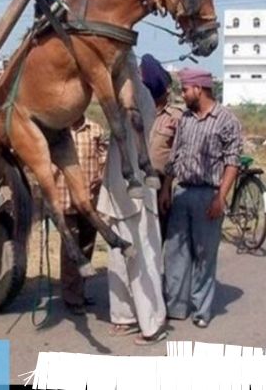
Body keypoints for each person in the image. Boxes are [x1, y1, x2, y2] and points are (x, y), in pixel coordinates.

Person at [160, 67, 243, 328]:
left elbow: (232, 163)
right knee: (175, 253)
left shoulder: (227, 120)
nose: (182, 94)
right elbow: (175, 155)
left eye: (185, 89)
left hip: (209, 195)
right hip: (182, 192)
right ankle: (175, 306)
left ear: (199, 89)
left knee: (204, 255)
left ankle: (201, 310)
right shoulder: (185, 119)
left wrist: (221, 197)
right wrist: (167, 188)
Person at [97, 51, 168, 345]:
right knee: (117, 260)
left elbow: (130, 71)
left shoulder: (140, 98)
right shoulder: (122, 101)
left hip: (137, 197)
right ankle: (124, 316)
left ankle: (153, 324)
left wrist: (122, 50)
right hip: (117, 193)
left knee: (143, 261)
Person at [54, 116, 107, 315]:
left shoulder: (95, 130)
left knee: (86, 247)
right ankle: (72, 298)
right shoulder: (57, 130)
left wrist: (101, 177)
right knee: (71, 251)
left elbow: (104, 158)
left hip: (89, 201)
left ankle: (80, 291)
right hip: (64, 199)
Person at [139, 54, 184, 243]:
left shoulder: (176, 117)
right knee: (139, 236)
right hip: (138, 182)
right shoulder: (139, 114)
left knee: (158, 237)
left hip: (160, 184)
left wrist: (166, 189)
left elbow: (177, 156)